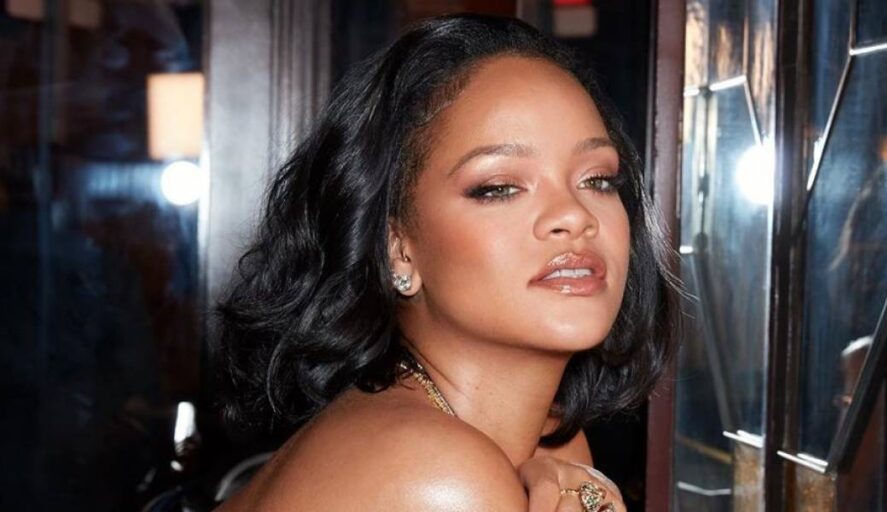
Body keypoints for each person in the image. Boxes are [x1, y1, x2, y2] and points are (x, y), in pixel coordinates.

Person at [215, 14, 679, 512]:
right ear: (397, 247)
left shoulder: (551, 445)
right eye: (499, 187)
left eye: (598, 180)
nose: (574, 215)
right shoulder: (438, 478)